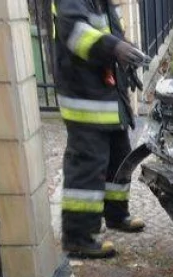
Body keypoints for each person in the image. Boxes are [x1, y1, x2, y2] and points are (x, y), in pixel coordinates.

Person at [53, 0, 148, 259]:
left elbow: (114, 33)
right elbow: (76, 34)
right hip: (84, 98)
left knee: (120, 159)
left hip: (108, 95)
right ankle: (78, 237)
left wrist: (127, 56)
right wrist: (115, 48)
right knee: (88, 165)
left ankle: (117, 215)